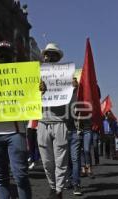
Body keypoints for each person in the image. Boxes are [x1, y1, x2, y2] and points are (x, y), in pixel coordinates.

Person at [0, 41, 44, 199]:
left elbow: (32, 100)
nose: (3, 57)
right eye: (1, 54)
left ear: (13, 58)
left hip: (15, 133)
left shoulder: (22, 77)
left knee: (21, 175)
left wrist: (39, 91)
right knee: (1, 177)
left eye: (7, 55)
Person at [37, 43, 70, 199]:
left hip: (59, 122)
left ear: (58, 58)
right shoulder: (36, 77)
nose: (49, 56)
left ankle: (58, 190)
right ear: (44, 56)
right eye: (47, 54)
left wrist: (74, 89)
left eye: (53, 54)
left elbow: (72, 102)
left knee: (60, 160)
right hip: (43, 123)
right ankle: (52, 185)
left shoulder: (67, 76)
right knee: (47, 161)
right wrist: (37, 91)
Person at [64, 77, 83, 196]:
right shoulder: (62, 94)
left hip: (75, 131)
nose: (72, 82)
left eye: (74, 80)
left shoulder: (80, 96)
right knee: (67, 159)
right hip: (63, 131)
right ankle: (70, 181)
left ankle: (76, 184)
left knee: (75, 159)